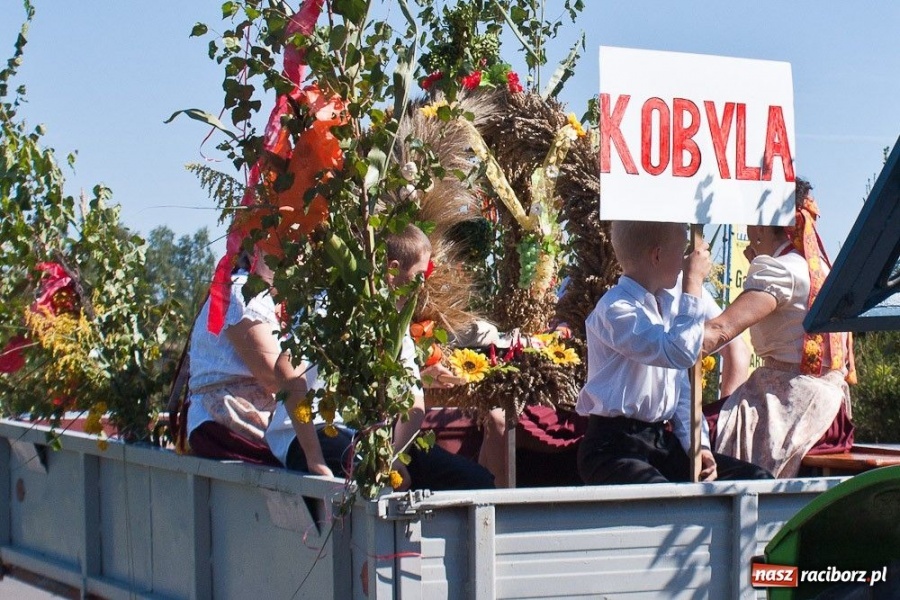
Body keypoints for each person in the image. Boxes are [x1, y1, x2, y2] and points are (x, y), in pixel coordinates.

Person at [266, 224, 495, 490]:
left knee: (474, 481)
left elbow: (414, 403)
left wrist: (394, 457)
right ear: (393, 269)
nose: (424, 284)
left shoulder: (396, 319)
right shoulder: (332, 306)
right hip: (312, 434)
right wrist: (314, 458)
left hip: (369, 439)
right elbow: (286, 369)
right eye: (421, 274)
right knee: (367, 480)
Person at [576, 220, 771, 485]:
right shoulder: (616, 308)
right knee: (666, 504)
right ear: (657, 255)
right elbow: (677, 353)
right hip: (613, 448)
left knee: (756, 480)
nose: (684, 261)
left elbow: (680, 391)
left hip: (658, 441)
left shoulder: (665, 306)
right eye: (681, 252)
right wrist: (693, 283)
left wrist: (698, 445)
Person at [703, 179, 855, 478]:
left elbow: (721, 330)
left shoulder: (780, 270)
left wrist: (659, 348)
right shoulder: (820, 267)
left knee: (680, 437)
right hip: (830, 414)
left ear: (759, 227)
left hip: (793, 407)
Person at [184, 251, 327, 471]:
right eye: (285, 247)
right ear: (254, 252)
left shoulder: (269, 298)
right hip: (228, 420)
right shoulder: (243, 292)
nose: (300, 258)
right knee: (310, 456)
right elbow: (276, 377)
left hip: (245, 418)